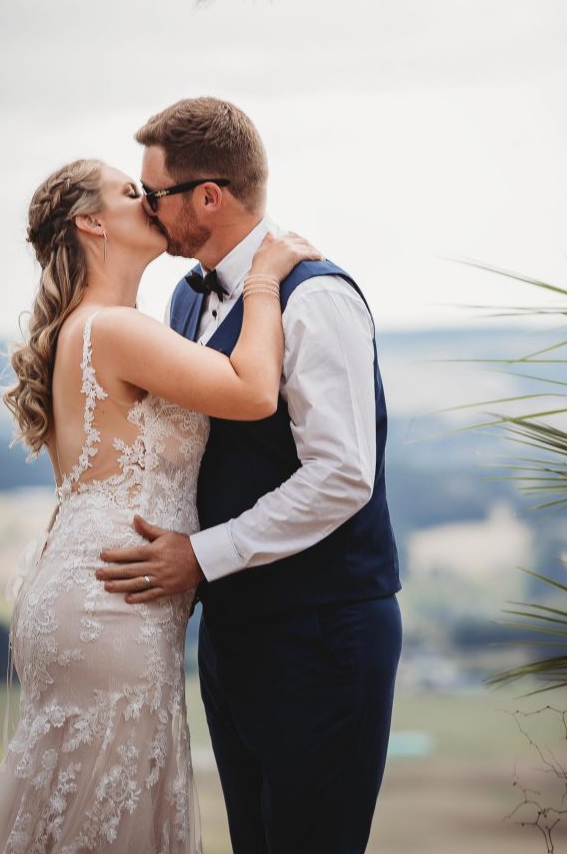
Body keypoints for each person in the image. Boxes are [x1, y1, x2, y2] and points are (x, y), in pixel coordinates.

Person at [0, 156, 319, 854]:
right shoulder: (113, 329)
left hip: (97, 591)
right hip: (113, 600)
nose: (147, 199)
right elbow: (253, 390)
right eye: (128, 191)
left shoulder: (89, 329)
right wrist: (264, 281)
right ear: (91, 222)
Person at [97, 96, 403, 853]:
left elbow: (341, 476)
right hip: (232, 638)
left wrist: (200, 556)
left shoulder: (318, 297)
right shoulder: (182, 299)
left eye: (155, 193)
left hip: (322, 635)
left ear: (208, 197)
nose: (147, 208)